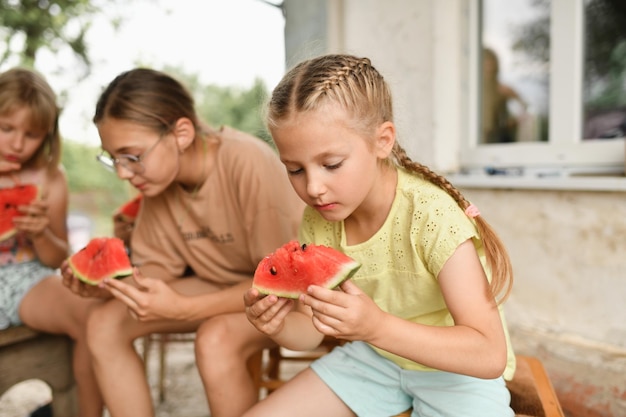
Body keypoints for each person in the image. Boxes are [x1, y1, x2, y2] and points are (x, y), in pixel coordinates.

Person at [243, 54, 517, 417]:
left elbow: (488, 354)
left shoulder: (433, 216)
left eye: (331, 165)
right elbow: (311, 331)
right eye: (294, 169)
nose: (313, 187)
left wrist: (376, 326)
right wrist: (278, 326)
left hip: (456, 370)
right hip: (375, 359)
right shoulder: (320, 220)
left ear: (382, 141)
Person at [61, 68, 304, 417]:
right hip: (217, 288)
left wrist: (183, 308)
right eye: (112, 159)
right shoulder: (158, 186)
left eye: (132, 156)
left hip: (284, 301)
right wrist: (104, 285)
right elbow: (157, 272)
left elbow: (279, 284)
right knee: (103, 323)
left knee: (215, 338)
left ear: (182, 133)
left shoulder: (246, 162)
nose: (123, 173)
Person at [0, 67, 103, 417]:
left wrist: (41, 232)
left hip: (25, 278)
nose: (17, 144)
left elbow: (57, 257)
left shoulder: (50, 177)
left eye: (31, 134)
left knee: (94, 314)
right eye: (6, 129)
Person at [482, 47, 528, 143]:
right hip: (477, 136)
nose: (488, 68)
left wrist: (515, 121)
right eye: (485, 63)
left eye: (491, 63)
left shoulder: (501, 88)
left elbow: (524, 104)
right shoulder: (474, 90)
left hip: (495, 138)